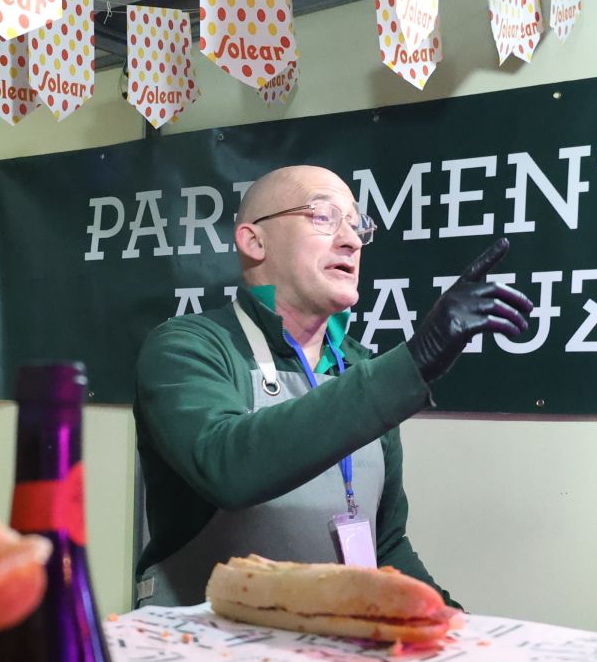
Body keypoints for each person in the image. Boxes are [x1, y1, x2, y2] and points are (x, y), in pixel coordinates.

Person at [132, 164, 532, 607]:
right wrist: (415, 359)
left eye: (357, 224)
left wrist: (453, 625)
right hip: (199, 652)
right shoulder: (189, 346)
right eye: (323, 216)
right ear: (253, 241)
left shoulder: (359, 367)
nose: (352, 240)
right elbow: (228, 468)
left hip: (328, 653)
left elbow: (384, 546)